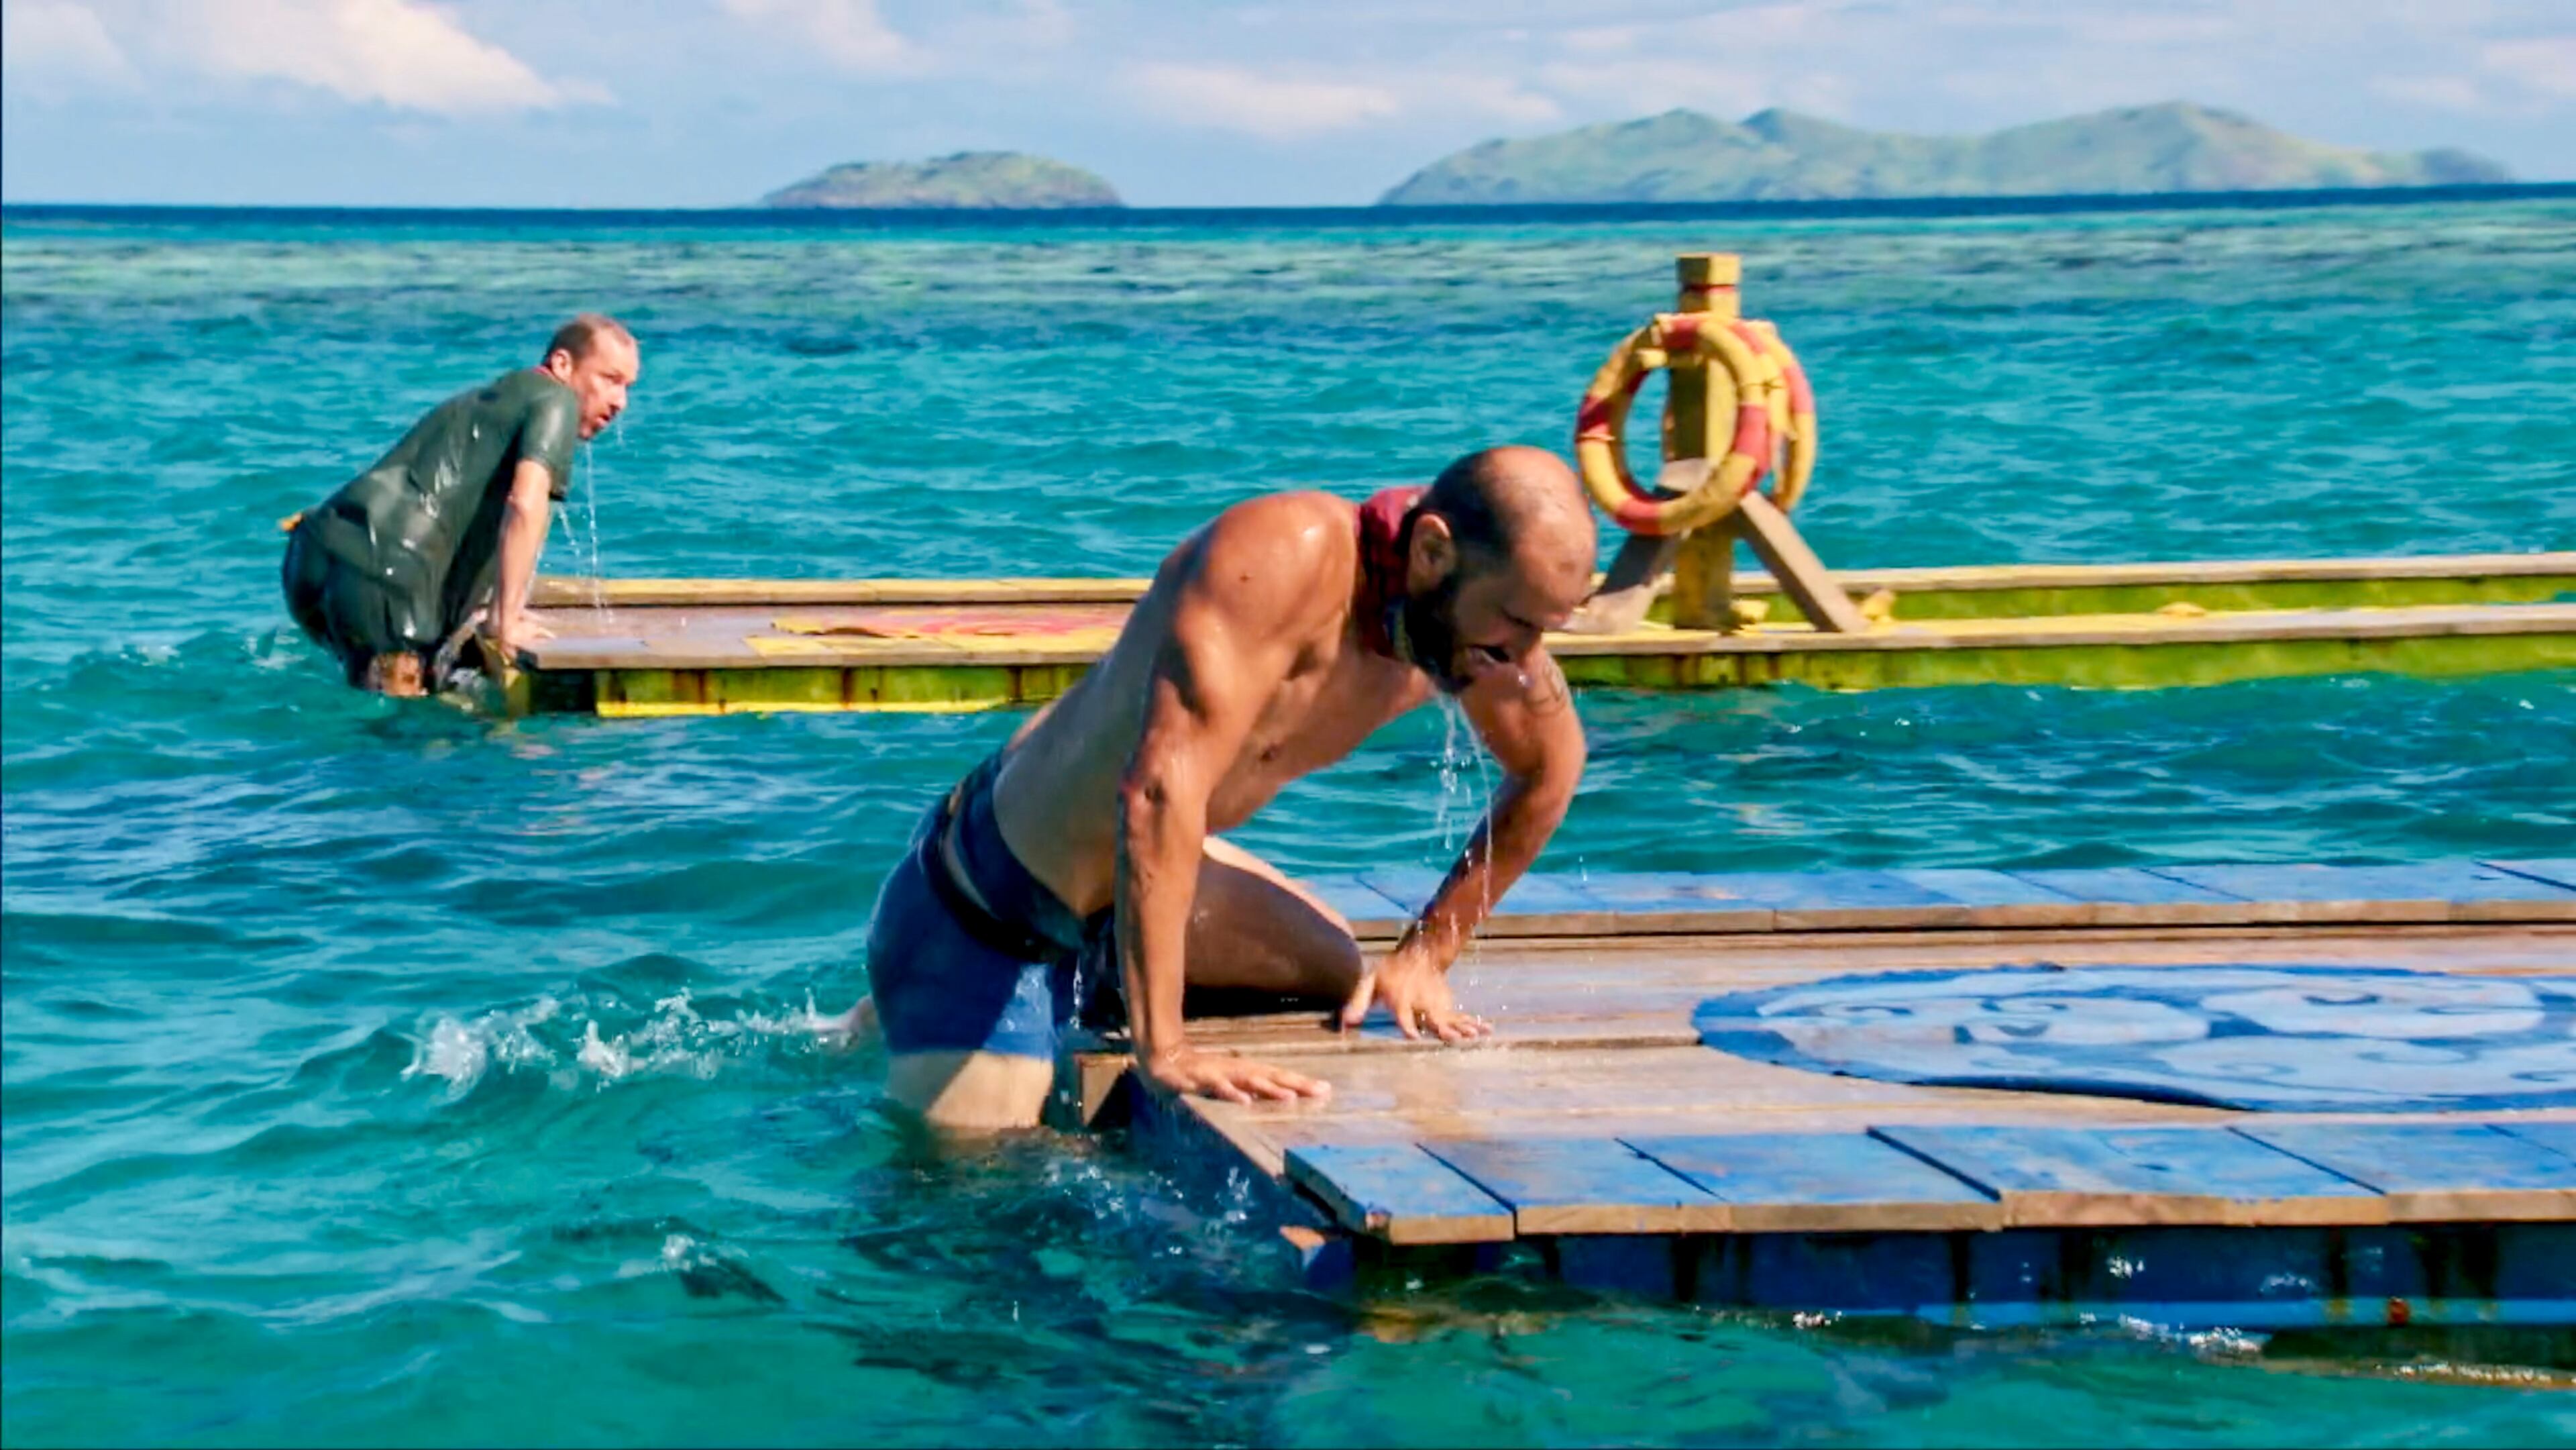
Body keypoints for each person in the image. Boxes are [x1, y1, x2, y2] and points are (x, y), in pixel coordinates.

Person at [851, 445, 1597, 1130]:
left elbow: (1551, 769)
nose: (1526, 657)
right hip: (989, 913)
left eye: (1545, 629)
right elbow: (1153, 797)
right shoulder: (1278, 560)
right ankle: (907, 998)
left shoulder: (1469, 637)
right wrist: (1164, 1049)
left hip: (1116, 898)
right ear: (1432, 552)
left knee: (1341, 971)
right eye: (1516, 622)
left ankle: (1084, 975)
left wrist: (1426, 956)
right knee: (984, 1196)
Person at [280, 315, 639, 694]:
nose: (620, 403)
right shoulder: (557, 400)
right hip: (385, 577)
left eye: (629, 387)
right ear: (562, 364)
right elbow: (525, 504)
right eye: (610, 380)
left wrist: (498, 604)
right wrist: (504, 622)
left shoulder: (498, 397)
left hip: (314, 553)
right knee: (404, 737)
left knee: (399, 704)